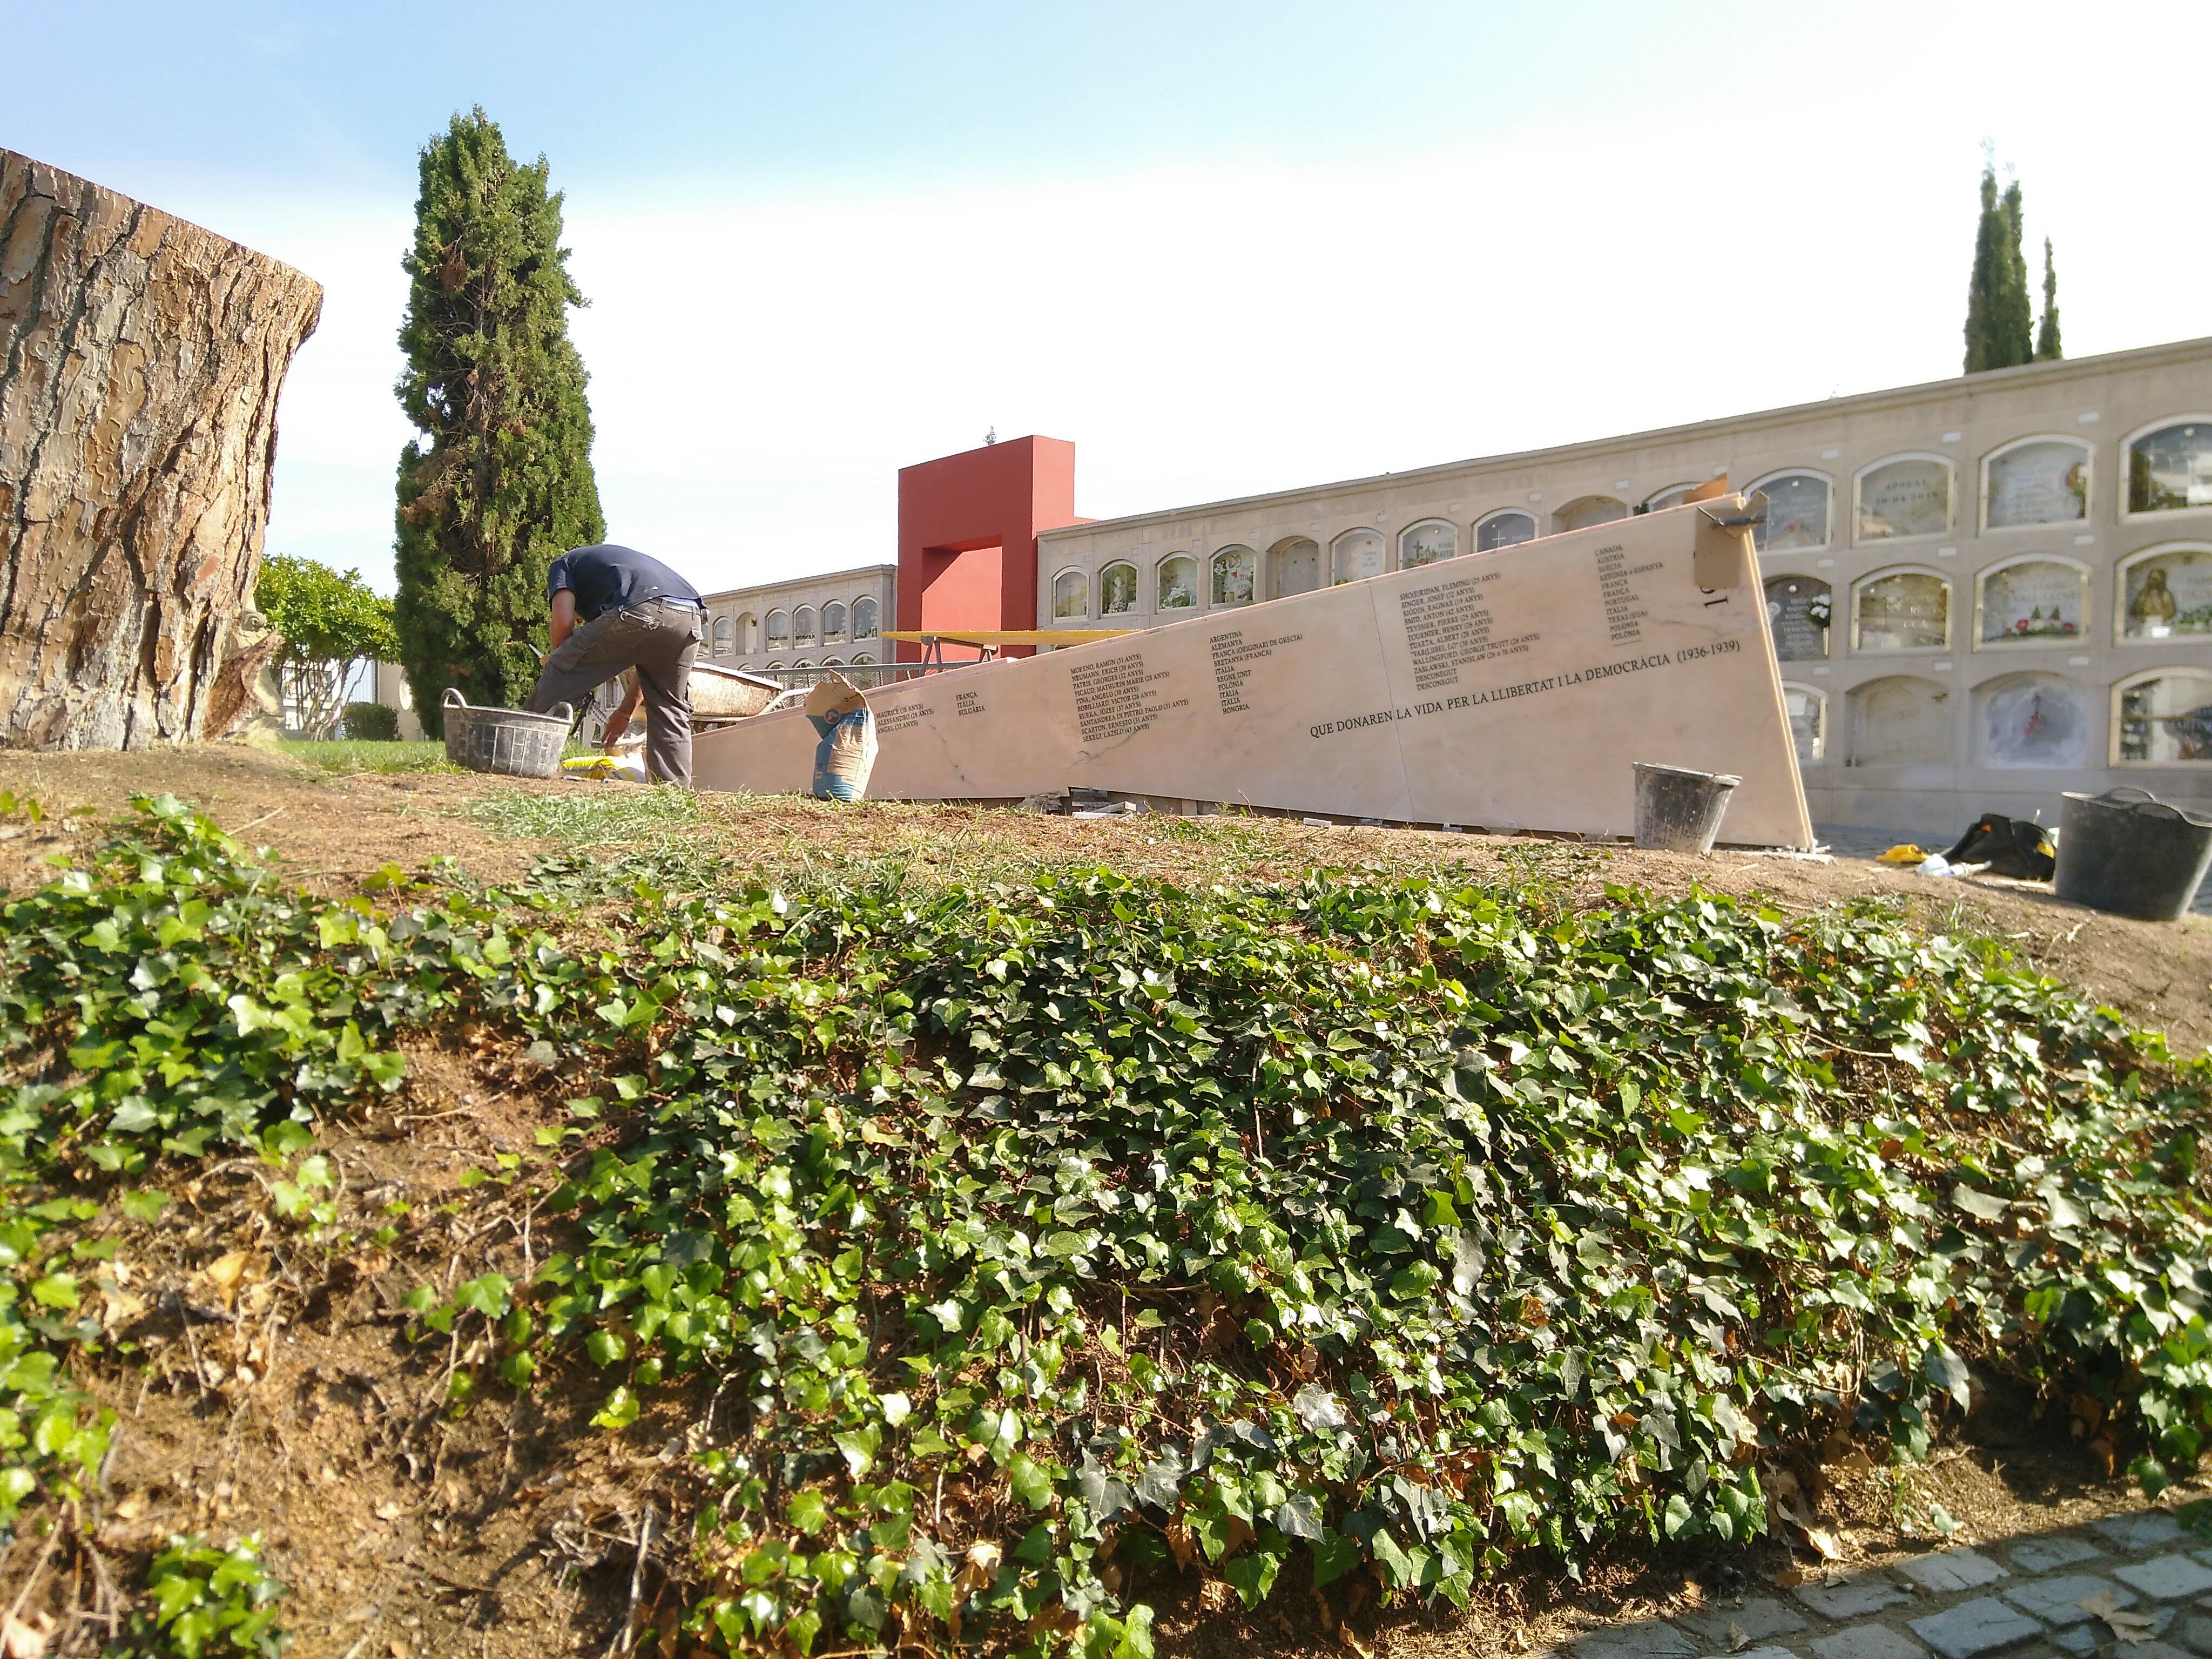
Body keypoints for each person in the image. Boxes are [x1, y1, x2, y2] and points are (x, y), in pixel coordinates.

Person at [526, 543, 705, 785]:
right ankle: (673, 792)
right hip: (690, 614)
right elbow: (649, 668)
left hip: (640, 606)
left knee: (560, 669)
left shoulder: (563, 565)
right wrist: (625, 712)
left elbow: (563, 619)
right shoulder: (610, 573)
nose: (582, 622)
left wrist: (561, 663)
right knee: (669, 706)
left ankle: (522, 761)